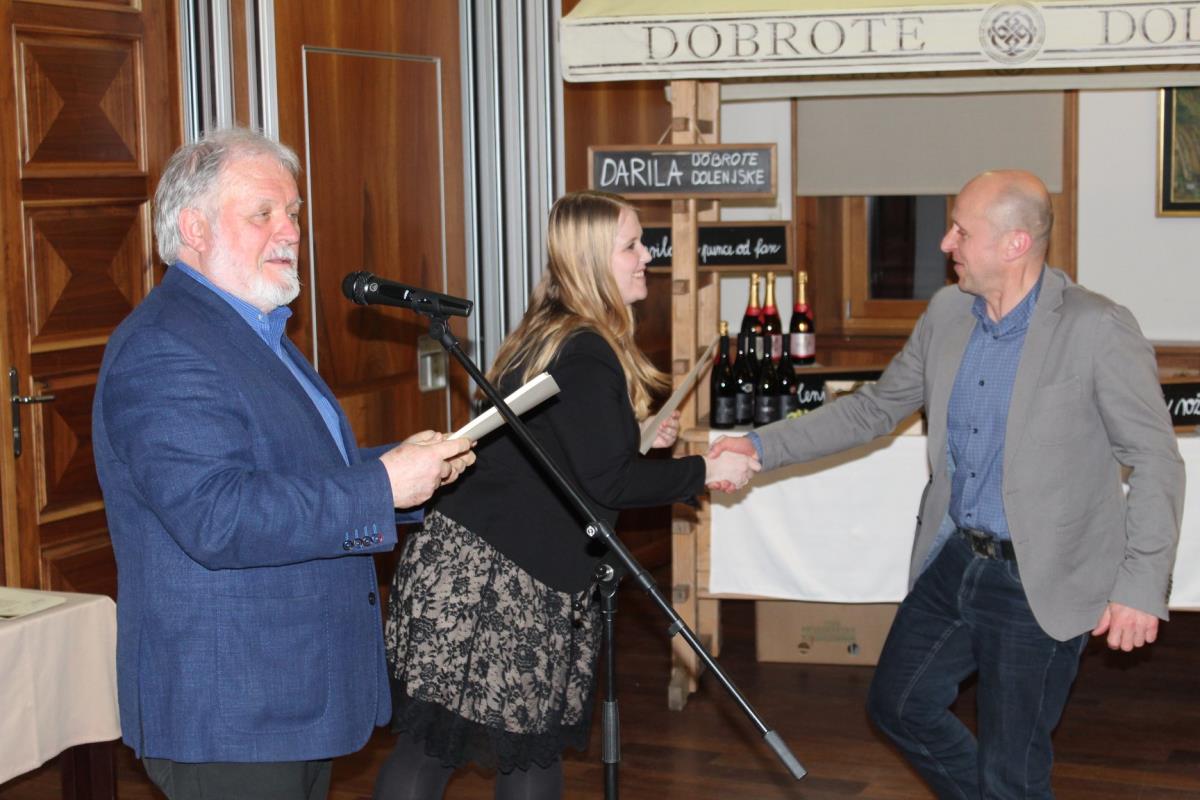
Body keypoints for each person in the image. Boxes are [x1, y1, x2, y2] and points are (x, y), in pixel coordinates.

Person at [710, 170, 1185, 798]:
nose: (944, 242)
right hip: (957, 558)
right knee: (899, 705)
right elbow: (875, 408)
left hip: (1042, 580)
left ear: (1015, 243)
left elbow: (1157, 459)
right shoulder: (948, 313)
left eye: (961, 230)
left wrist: (1140, 585)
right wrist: (760, 445)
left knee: (1012, 769)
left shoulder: (1096, 327)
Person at [92, 128, 475, 800]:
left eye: (294, 213)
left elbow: (285, 471)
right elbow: (218, 515)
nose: (290, 232)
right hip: (229, 707)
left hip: (286, 692)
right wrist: (380, 486)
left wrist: (400, 466)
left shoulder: (254, 328)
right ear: (194, 228)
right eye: (263, 213)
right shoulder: (164, 346)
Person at [374, 190, 760, 799]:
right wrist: (704, 471)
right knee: (460, 750)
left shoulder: (555, 331)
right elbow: (609, 482)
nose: (647, 257)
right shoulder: (586, 351)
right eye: (631, 246)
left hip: (487, 563)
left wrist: (634, 435)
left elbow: (563, 449)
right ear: (591, 262)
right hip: (494, 580)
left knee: (481, 751)